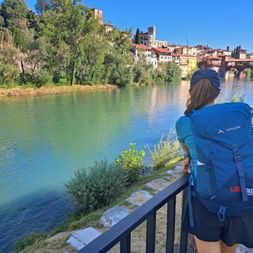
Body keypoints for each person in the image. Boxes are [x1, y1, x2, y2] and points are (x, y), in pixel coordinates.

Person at [175, 69, 253, 253]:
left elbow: (188, 150)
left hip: (208, 203)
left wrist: (188, 158)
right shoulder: (236, 115)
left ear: (190, 91)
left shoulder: (184, 122)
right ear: (217, 92)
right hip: (240, 199)